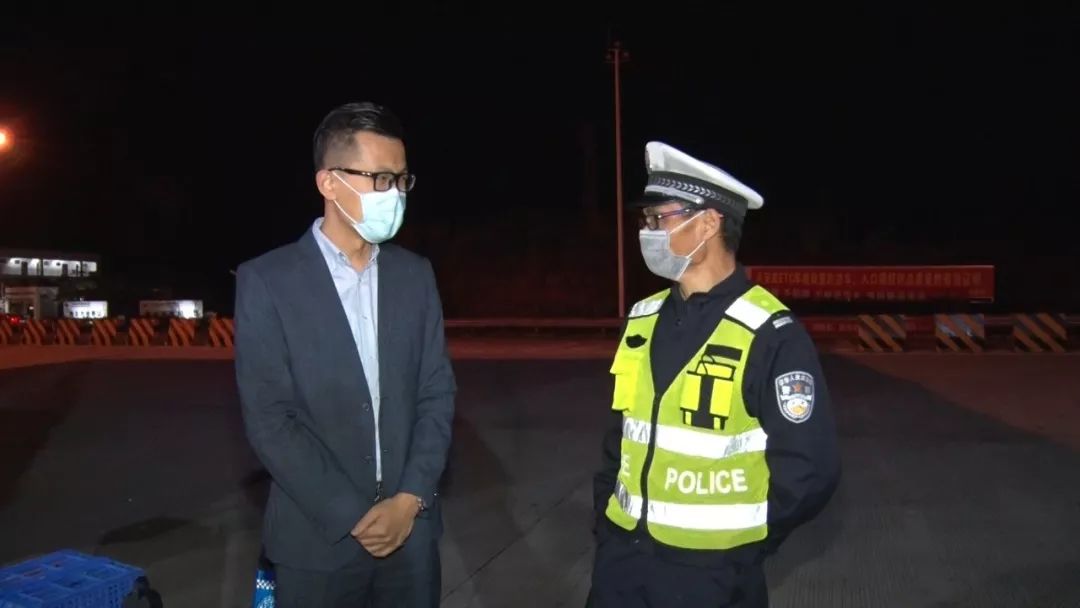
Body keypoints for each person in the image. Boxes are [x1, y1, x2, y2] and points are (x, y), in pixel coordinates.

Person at [588, 142, 840, 607]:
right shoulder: (642, 318)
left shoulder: (770, 332)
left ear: (708, 223)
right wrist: (607, 523)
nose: (648, 231)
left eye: (659, 218)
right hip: (621, 565)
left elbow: (810, 470)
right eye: (646, 220)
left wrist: (742, 549)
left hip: (713, 578)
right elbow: (620, 437)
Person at [233, 101, 456, 607]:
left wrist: (410, 498)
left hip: (411, 535)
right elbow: (270, 419)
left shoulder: (415, 276)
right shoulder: (267, 281)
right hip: (318, 541)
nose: (394, 194)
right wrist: (351, 514)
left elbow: (436, 392)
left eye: (401, 180)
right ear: (329, 183)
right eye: (380, 179)